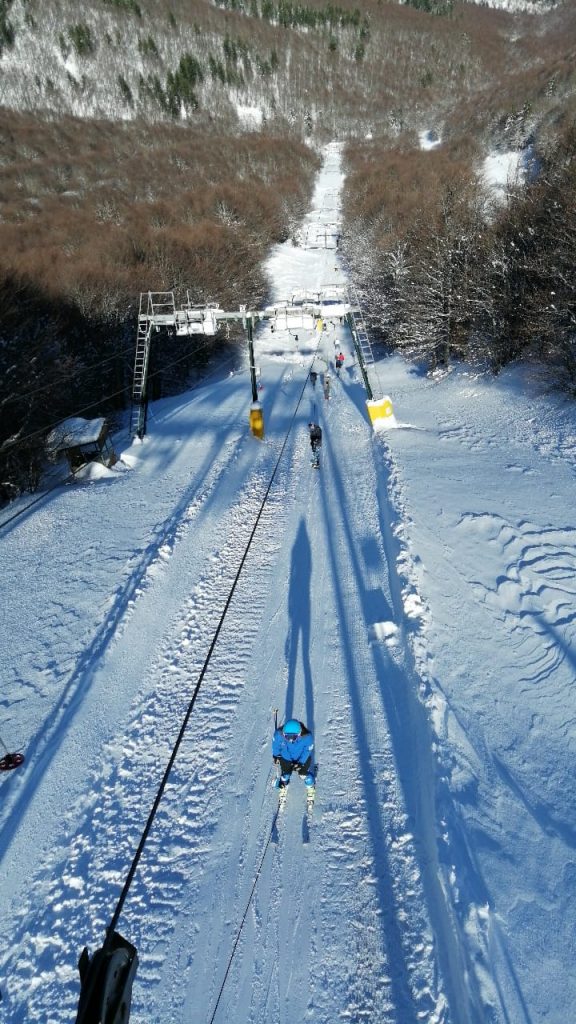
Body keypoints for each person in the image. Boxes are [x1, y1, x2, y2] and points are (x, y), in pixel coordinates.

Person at [272, 718, 315, 789]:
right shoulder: (278, 735)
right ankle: (284, 784)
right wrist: (276, 755)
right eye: (287, 736)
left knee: (303, 774)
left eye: (294, 737)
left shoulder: (307, 737)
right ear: (283, 733)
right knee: (285, 774)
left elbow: (307, 750)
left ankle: (310, 786)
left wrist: (301, 763)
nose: (290, 739)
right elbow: (275, 745)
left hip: (302, 757)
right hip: (286, 757)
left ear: (299, 733)